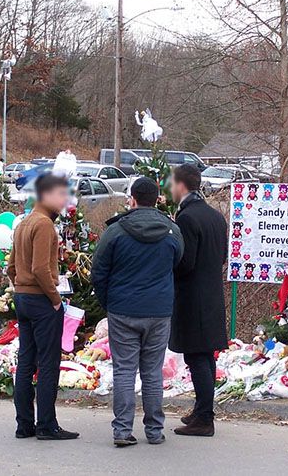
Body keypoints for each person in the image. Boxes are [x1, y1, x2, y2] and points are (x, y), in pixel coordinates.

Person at [92, 177, 184, 447]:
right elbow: (178, 262)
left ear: (132, 199)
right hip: (158, 310)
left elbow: (99, 271)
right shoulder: (172, 230)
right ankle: (154, 431)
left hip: (123, 309)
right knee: (152, 372)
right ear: (157, 199)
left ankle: (122, 430)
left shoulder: (116, 231)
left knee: (124, 370)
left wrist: (109, 302)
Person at [7, 174, 79, 441]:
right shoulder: (44, 224)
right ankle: (47, 425)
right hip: (41, 300)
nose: (63, 202)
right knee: (48, 363)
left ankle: (24, 424)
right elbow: (40, 269)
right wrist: (55, 298)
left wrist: (20, 287)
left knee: (26, 362)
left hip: (22, 298)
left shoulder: (23, 223)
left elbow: (11, 267)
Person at [169, 163, 228, 437]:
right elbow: (222, 257)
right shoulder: (215, 216)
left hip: (193, 297)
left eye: (172, 184)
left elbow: (185, 263)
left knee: (197, 357)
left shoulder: (187, 218)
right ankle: (202, 410)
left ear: (181, 185)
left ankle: (204, 419)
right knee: (204, 356)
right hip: (212, 293)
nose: (170, 189)